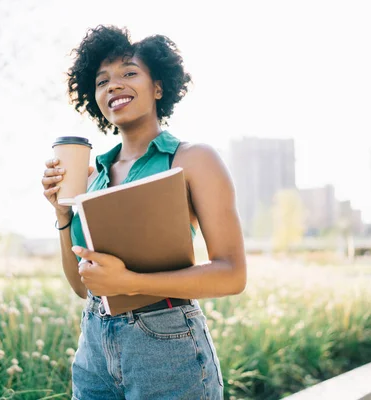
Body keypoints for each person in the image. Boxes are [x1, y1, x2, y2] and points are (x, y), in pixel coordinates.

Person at [41, 25, 246, 400]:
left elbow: (232, 275)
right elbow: (80, 286)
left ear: (158, 87)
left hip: (167, 346)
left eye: (129, 73)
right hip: (94, 349)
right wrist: (62, 215)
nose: (114, 85)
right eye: (102, 81)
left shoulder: (193, 159)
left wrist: (131, 282)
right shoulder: (93, 178)